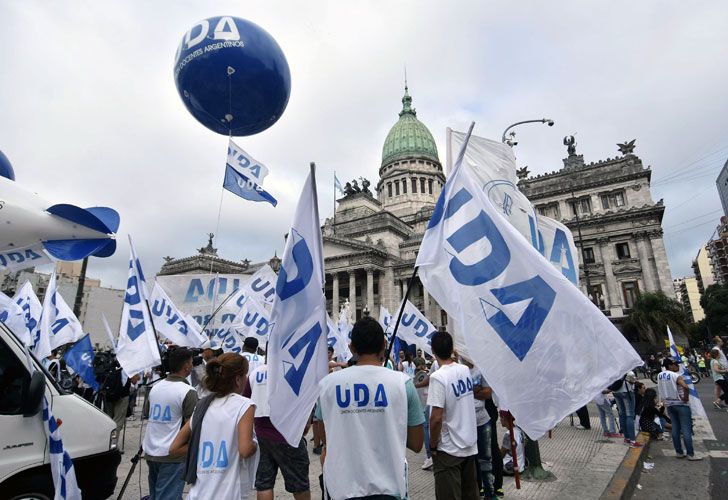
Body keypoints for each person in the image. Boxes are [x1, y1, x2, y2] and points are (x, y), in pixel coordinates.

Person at [317, 316, 424, 499]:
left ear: (351, 348)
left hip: (341, 489)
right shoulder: (403, 384)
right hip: (390, 489)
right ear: (384, 345)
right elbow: (416, 444)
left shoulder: (327, 385)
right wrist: (388, 427)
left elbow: (323, 436)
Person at [170, 353, 258, 499]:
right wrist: (255, 443)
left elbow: (174, 448)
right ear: (238, 379)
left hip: (198, 493)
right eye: (245, 376)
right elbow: (245, 450)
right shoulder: (244, 405)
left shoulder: (202, 405)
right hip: (228, 493)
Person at [243, 360, 311, 500]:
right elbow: (306, 400)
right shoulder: (293, 370)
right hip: (288, 434)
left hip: (262, 434)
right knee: (300, 484)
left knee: (264, 483)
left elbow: (246, 401)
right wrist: (306, 425)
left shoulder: (255, 373)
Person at [428, 331, 478, 500]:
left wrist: (433, 445)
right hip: (468, 445)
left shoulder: (438, 377)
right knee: (470, 494)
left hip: (448, 449)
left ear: (433, 351)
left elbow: (435, 418)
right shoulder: (464, 370)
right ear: (451, 349)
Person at [142, 347, 199, 500]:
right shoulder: (188, 391)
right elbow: (191, 427)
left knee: (155, 495)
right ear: (187, 366)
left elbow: (147, 415)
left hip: (151, 451)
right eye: (191, 363)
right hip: (172, 455)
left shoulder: (155, 388)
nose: (192, 366)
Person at [657, 358, 702, 460]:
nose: (677, 366)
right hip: (681, 404)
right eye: (675, 364)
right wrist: (685, 398)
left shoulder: (660, 375)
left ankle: (679, 452)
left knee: (675, 428)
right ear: (670, 365)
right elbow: (685, 387)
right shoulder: (676, 376)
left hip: (670, 404)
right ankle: (691, 454)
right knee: (686, 429)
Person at [611, 370, 642, 448]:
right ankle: (632, 440)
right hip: (626, 392)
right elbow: (633, 380)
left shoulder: (613, 369)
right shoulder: (627, 369)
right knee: (629, 415)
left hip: (615, 392)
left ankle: (626, 438)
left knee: (622, 414)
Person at [413, 357, 433, 470]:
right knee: (428, 428)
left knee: (426, 429)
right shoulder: (427, 374)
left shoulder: (425, 376)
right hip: (426, 404)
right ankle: (430, 455)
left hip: (426, 405)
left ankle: (429, 456)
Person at [498, 412, 525, 476]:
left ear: (504, 418)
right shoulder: (518, 430)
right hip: (521, 465)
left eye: (501, 417)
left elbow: (501, 454)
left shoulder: (509, 434)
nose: (500, 420)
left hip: (511, 466)